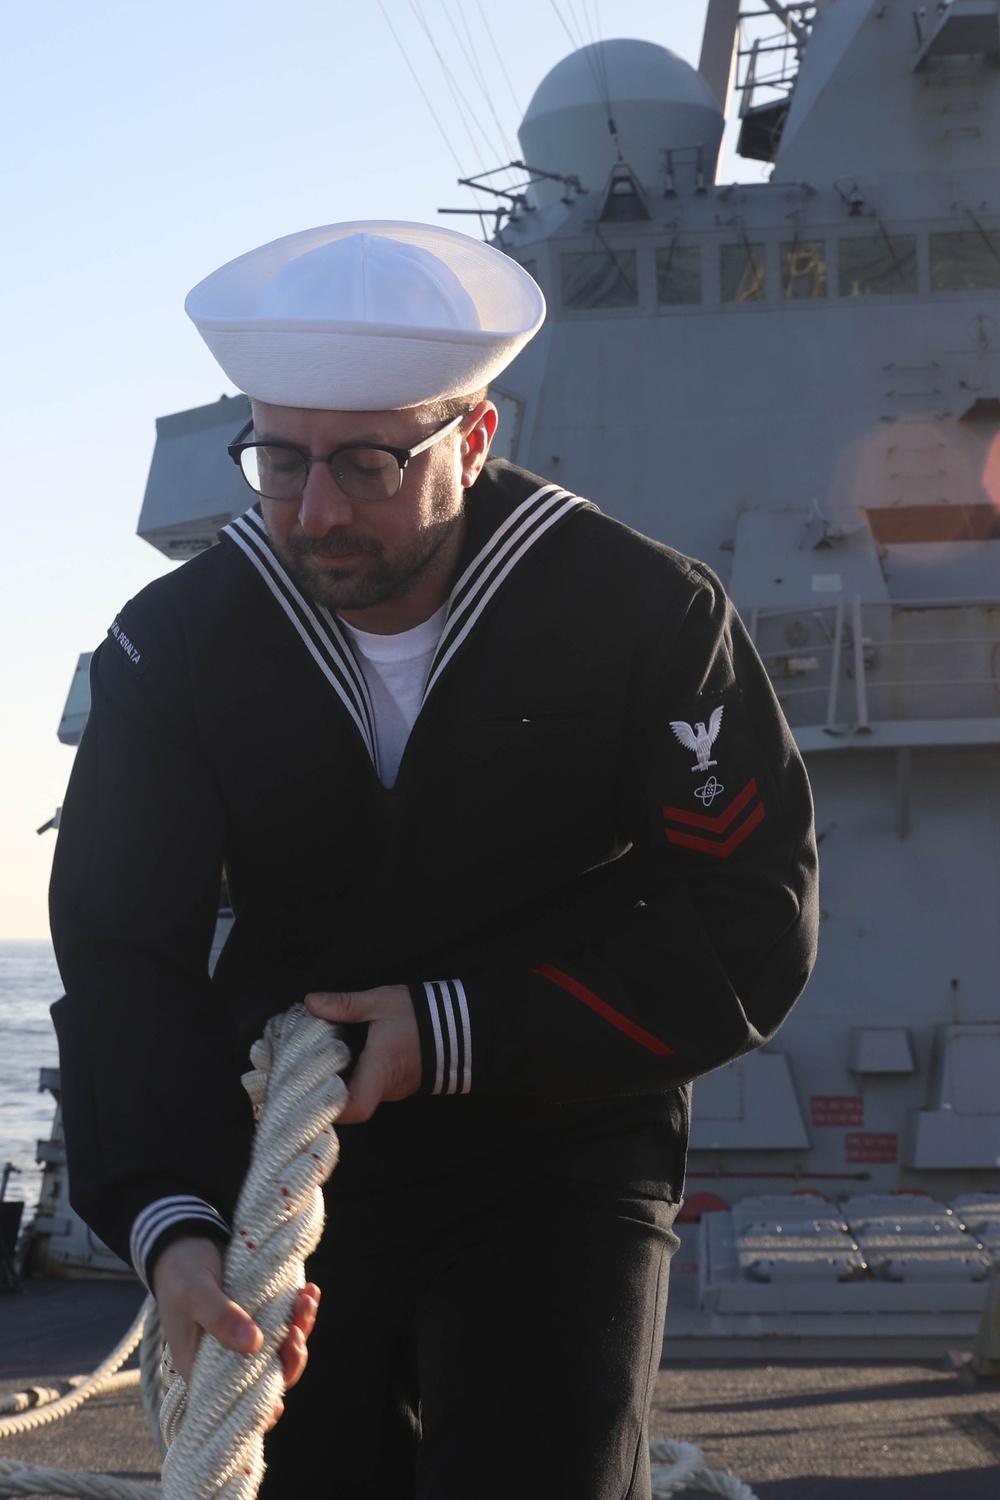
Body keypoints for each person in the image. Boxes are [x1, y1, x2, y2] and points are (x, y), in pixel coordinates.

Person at [50, 220, 818, 1499]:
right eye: (280, 462)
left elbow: (749, 923)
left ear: (472, 437)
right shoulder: (177, 644)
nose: (318, 511)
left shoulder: (645, 617)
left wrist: (450, 1027)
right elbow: (126, 951)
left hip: (558, 1139)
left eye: (367, 462)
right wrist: (169, 1226)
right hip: (286, 1145)